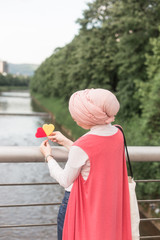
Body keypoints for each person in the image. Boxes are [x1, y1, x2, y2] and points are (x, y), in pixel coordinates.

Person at [40, 88, 132, 240]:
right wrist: (67, 142)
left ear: (88, 116)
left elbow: (65, 180)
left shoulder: (82, 145)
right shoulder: (118, 133)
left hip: (80, 208)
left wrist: (48, 156)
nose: (74, 118)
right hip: (107, 210)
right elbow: (93, 156)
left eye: (76, 114)